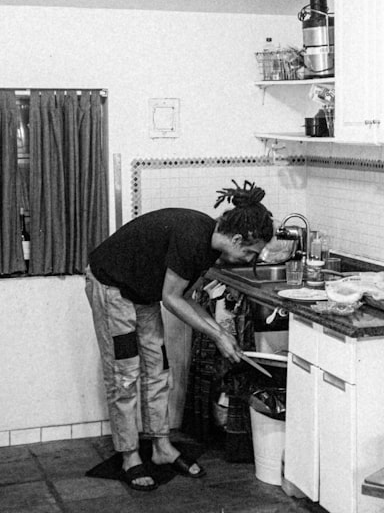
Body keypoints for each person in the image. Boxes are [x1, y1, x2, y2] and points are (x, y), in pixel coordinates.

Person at [84, 180, 275, 491]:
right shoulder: (192, 238)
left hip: (143, 292)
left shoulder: (210, 246)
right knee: (125, 374)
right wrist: (217, 336)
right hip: (112, 288)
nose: (249, 261)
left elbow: (180, 297)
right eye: (250, 253)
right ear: (238, 239)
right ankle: (130, 455)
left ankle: (161, 448)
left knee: (158, 370)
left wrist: (220, 333)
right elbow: (172, 299)